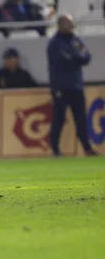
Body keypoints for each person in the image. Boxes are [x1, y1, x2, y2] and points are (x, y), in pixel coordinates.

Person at [47, 14, 97, 156]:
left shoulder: (75, 40)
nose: (71, 26)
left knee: (81, 118)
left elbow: (86, 56)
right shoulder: (55, 43)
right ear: (60, 24)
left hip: (76, 85)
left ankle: (87, 148)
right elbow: (64, 60)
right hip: (61, 86)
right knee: (59, 118)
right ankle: (55, 149)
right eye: (68, 23)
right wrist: (77, 58)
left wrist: (76, 58)